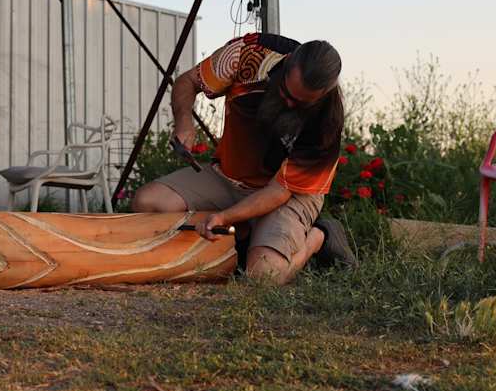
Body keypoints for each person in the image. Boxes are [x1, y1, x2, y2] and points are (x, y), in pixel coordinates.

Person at [131, 33, 356, 283]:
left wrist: (224, 217)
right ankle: (245, 234)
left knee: (264, 277)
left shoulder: (328, 120)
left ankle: (318, 237)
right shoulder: (246, 53)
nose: (290, 105)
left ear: (325, 92)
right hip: (229, 177)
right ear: (288, 61)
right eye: (286, 93)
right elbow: (188, 81)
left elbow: (278, 193)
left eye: (302, 103)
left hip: (287, 193)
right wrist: (184, 122)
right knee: (147, 202)